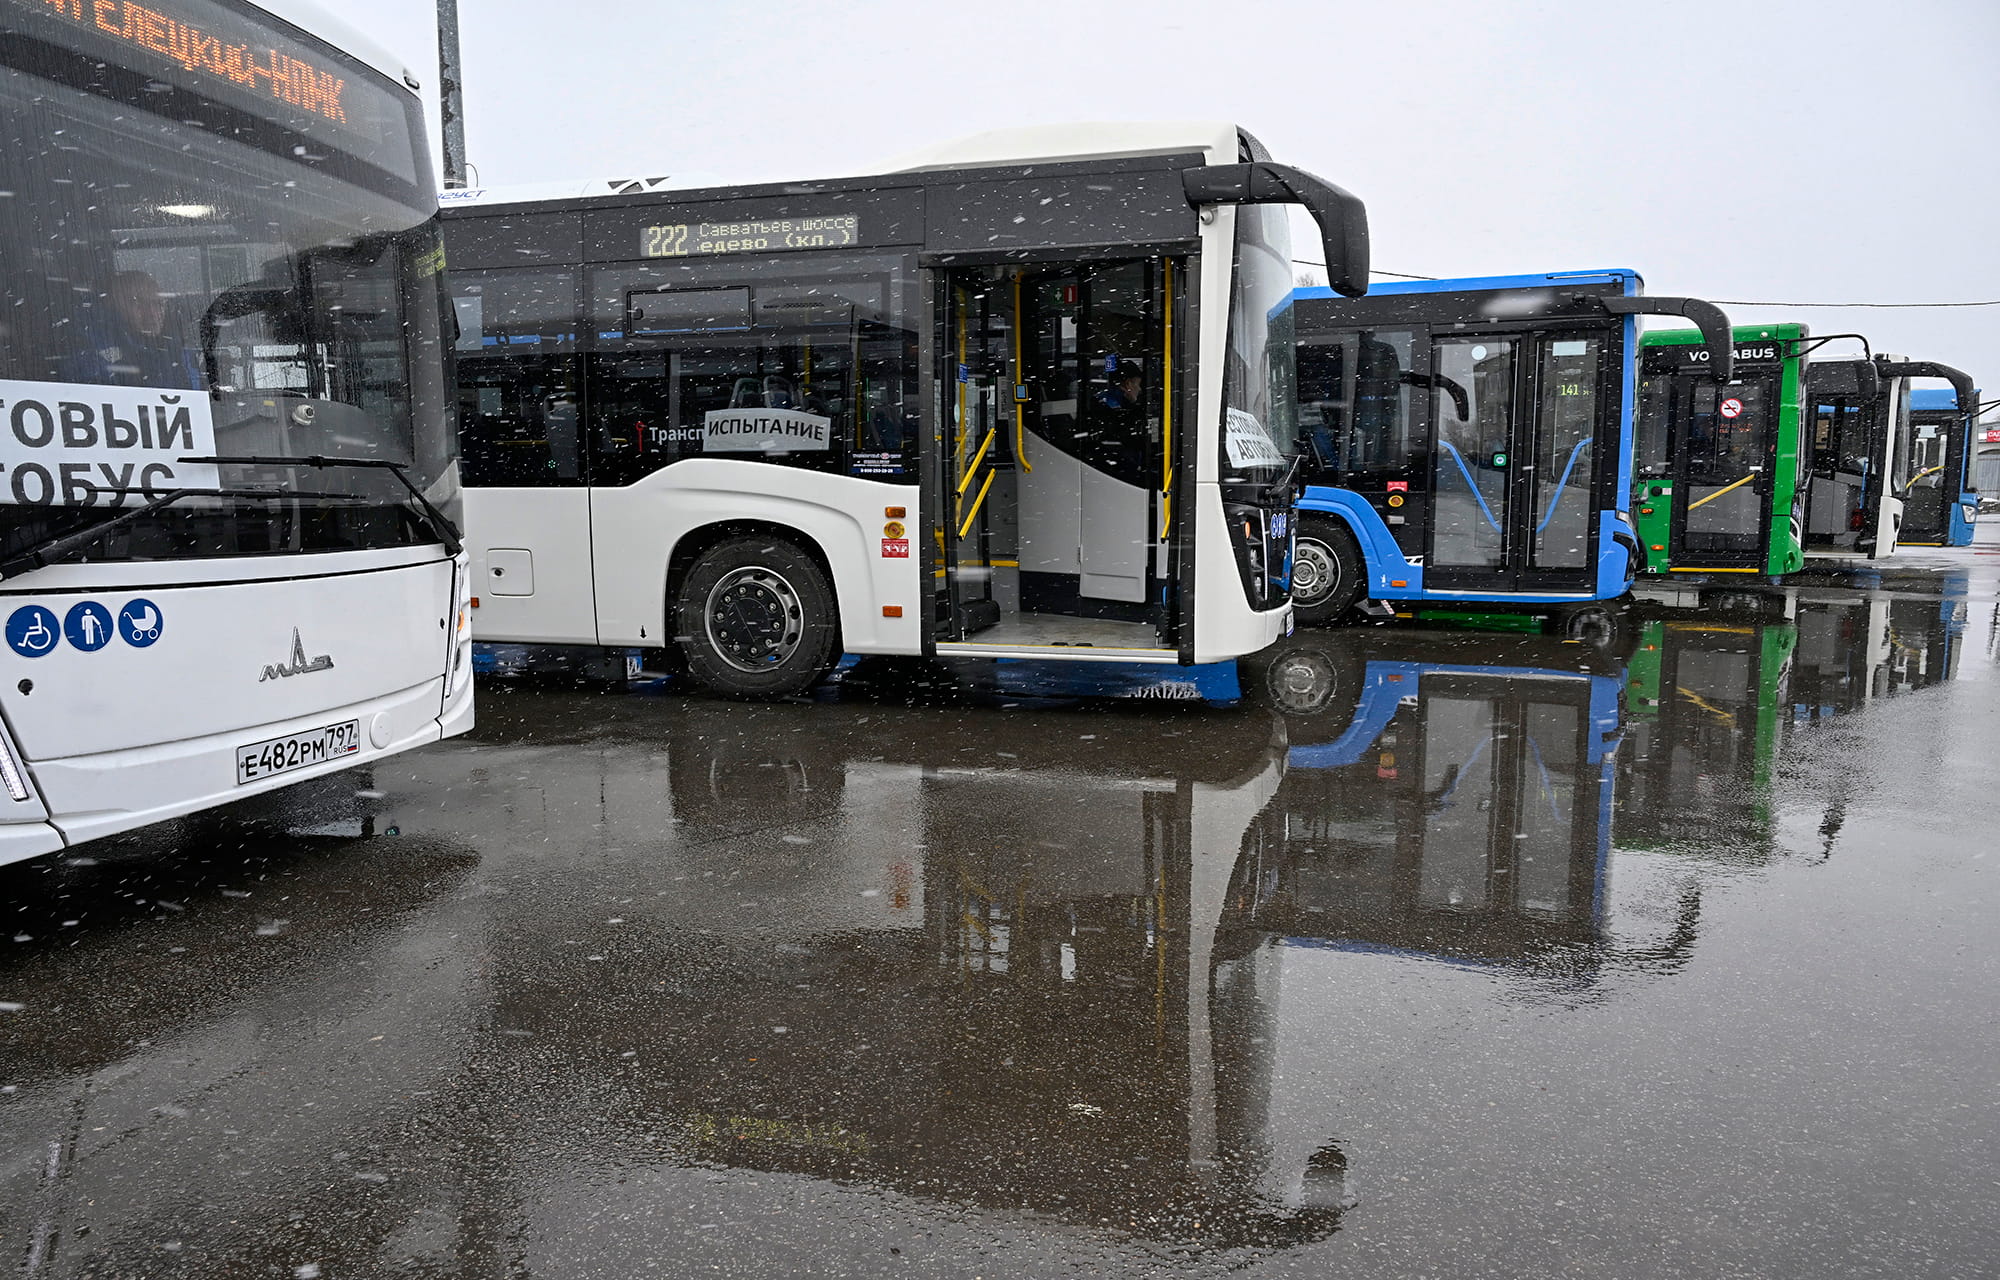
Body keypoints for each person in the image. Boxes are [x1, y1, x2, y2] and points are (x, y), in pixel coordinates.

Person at [63, 270, 202, 389]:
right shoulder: (92, 348)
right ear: (113, 304)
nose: (152, 313)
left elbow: (197, 400)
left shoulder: (179, 348)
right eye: (138, 303)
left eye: (158, 303)